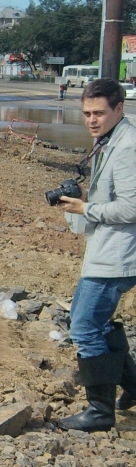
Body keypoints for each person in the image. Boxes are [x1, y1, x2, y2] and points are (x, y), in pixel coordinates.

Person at [55, 78, 136, 432]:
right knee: (98, 324)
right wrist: (84, 196)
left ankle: (100, 413)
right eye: (87, 113)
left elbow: (132, 208)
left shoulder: (128, 146)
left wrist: (86, 207)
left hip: (118, 255)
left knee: (85, 326)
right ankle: (133, 387)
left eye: (99, 113)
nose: (92, 120)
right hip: (109, 249)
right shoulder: (108, 140)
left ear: (119, 109)